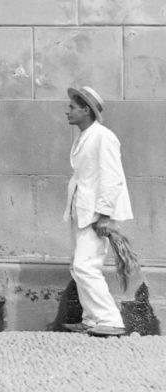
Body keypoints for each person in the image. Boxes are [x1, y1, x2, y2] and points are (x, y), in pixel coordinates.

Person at [62, 85, 132, 338]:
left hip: (94, 213)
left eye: (72, 107)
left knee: (85, 266)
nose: (67, 111)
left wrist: (104, 215)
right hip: (82, 211)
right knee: (79, 266)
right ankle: (91, 319)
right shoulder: (86, 136)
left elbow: (112, 178)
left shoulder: (103, 136)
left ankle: (110, 320)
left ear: (86, 110)